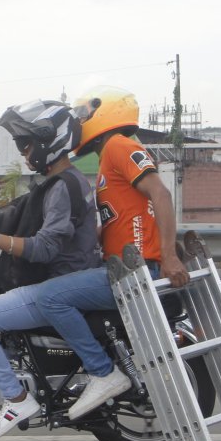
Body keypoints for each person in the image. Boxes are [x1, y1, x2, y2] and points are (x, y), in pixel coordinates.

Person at [0, 99, 104, 441]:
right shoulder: (63, 180)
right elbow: (30, 216)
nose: (23, 152)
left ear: (50, 140)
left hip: (58, 284)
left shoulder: (63, 185)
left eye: (26, 143)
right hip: (65, 279)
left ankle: (16, 399)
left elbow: (44, 246)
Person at [33, 85, 190, 421]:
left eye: (83, 115)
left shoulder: (120, 146)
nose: (79, 123)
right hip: (123, 269)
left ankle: (102, 373)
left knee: (50, 298)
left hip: (134, 273)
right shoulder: (108, 158)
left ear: (104, 112)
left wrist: (168, 256)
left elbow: (160, 195)